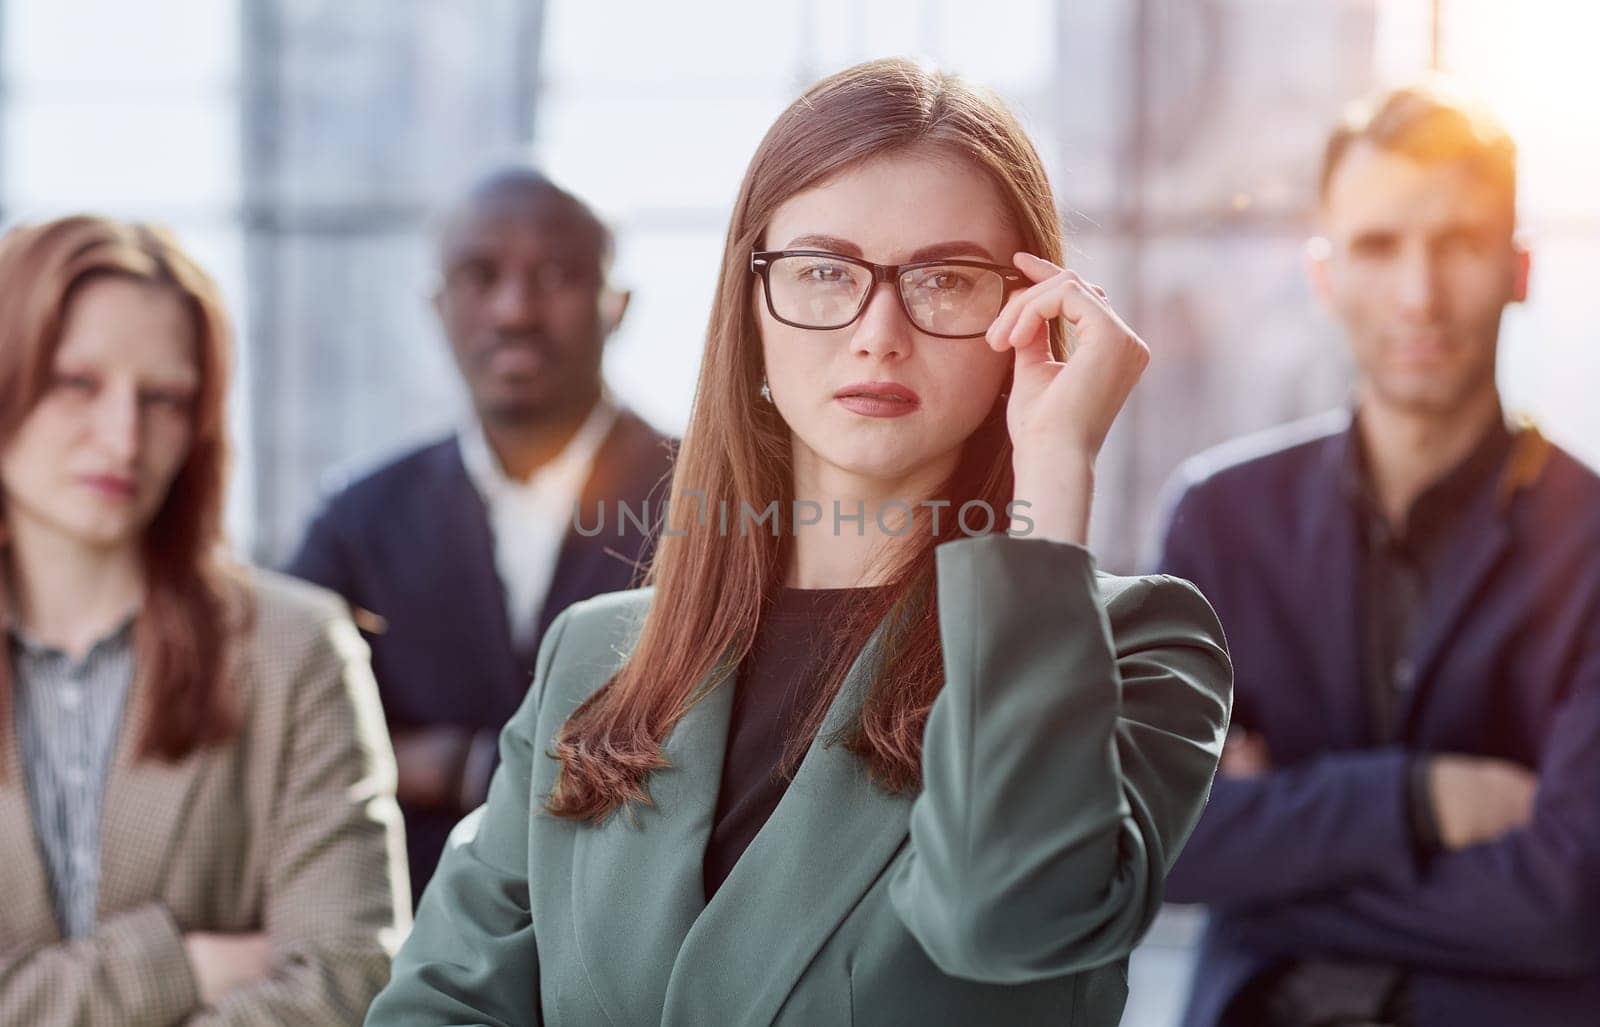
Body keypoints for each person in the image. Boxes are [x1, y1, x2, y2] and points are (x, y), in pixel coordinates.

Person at [365, 58, 1232, 1026]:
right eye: (824, 271)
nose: (878, 330)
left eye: (945, 279)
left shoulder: (1138, 645)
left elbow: (1011, 920)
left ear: (1025, 316)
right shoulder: (598, 657)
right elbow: (435, 1007)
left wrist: (1054, 466)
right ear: (751, 306)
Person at [1158, 82, 1600, 1026]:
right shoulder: (1218, 519)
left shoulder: (1594, 538)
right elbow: (1162, 840)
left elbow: (1571, 899)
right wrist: (1423, 798)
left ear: (1520, 269)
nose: (1419, 293)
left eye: (1460, 244)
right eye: (1377, 245)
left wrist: (1272, 853)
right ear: (1324, 275)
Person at [0, 215, 408, 1024]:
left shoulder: (296, 650)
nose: (123, 438)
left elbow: (347, 982)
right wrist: (180, 965)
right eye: (78, 382)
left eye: (165, 398)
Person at [285, 167, 675, 901]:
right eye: (478, 274)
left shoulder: (713, 503)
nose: (514, 310)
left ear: (617, 304)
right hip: (420, 948)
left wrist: (454, 764)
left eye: (557, 274)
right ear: (437, 305)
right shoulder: (358, 519)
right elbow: (275, 738)